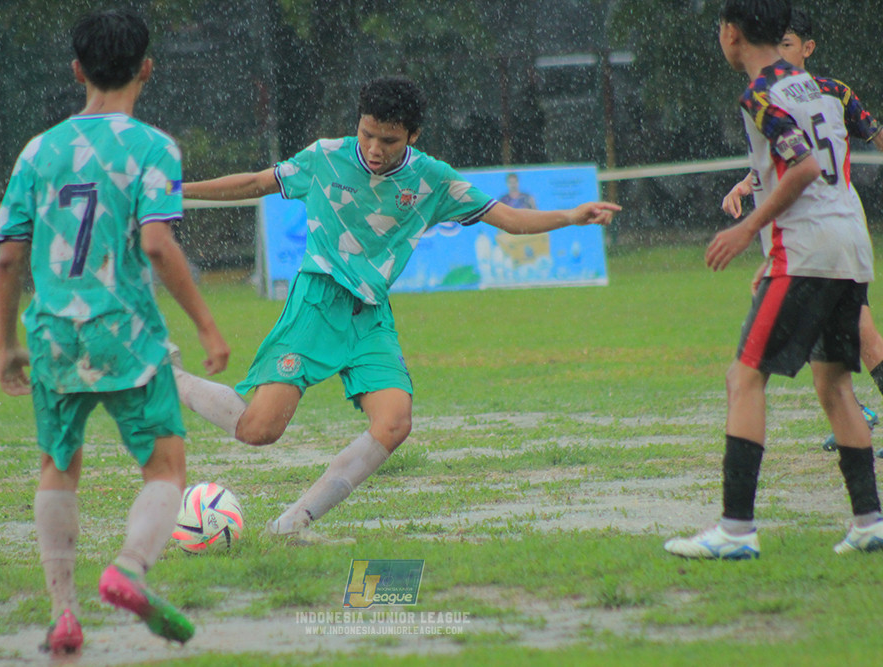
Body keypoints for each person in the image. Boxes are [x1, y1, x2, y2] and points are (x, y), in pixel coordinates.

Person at [172, 76, 620, 545]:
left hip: (371, 315)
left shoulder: (432, 180)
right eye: (367, 134)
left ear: (413, 135)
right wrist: (179, 191)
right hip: (317, 302)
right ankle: (171, 376)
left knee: (394, 422)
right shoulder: (325, 157)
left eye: (388, 140)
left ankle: (290, 525)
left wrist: (571, 216)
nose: (374, 148)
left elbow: (508, 218)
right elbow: (255, 183)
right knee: (259, 430)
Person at [0, 9, 230, 655]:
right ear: (147, 69)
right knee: (165, 465)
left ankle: (64, 614)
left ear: (77, 70)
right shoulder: (153, 148)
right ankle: (128, 568)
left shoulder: (38, 150)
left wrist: (7, 343)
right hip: (126, 334)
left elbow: (9, 258)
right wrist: (207, 326)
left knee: (57, 465)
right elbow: (156, 244)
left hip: (53, 333)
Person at [664, 0, 883, 560]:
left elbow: (803, 166)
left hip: (806, 252)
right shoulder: (822, 88)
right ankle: (869, 522)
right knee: (834, 384)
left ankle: (736, 530)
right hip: (850, 244)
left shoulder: (760, 94)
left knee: (744, 378)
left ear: (731, 34)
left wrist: (748, 231)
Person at [720, 6, 883, 454]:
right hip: (824, 236)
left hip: (821, 238)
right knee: (836, 361)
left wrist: (751, 227)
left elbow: (808, 162)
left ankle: (852, 415)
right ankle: (854, 421)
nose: (780, 53)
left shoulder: (812, 92)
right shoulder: (809, 94)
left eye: (788, 45)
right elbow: (795, 157)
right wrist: (747, 184)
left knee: (862, 339)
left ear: (807, 48)